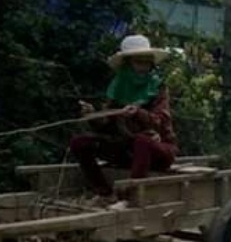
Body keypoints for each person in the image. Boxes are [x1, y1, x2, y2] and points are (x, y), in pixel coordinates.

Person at [70, 34, 178, 207]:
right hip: (125, 150)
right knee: (80, 143)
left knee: (142, 141)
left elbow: (160, 121)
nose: (143, 67)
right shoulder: (118, 86)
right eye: (138, 62)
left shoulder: (157, 87)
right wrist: (92, 115)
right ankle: (105, 193)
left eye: (146, 62)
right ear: (128, 64)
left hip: (155, 151)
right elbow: (106, 125)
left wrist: (139, 113)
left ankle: (129, 198)